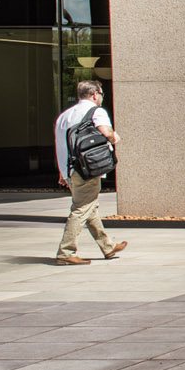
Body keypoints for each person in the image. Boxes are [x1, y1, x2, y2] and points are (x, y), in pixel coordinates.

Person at [54, 81, 127, 266]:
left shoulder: (64, 116)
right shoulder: (96, 112)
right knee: (81, 209)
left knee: (90, 207)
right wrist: (114, 137)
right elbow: (106, 131)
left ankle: (108, 246)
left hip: (71, 169)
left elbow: (60, 146)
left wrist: (63, 172)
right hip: (87, 170)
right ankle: (66, 251)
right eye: (101, 94)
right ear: (95, 94)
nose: (101, 97)